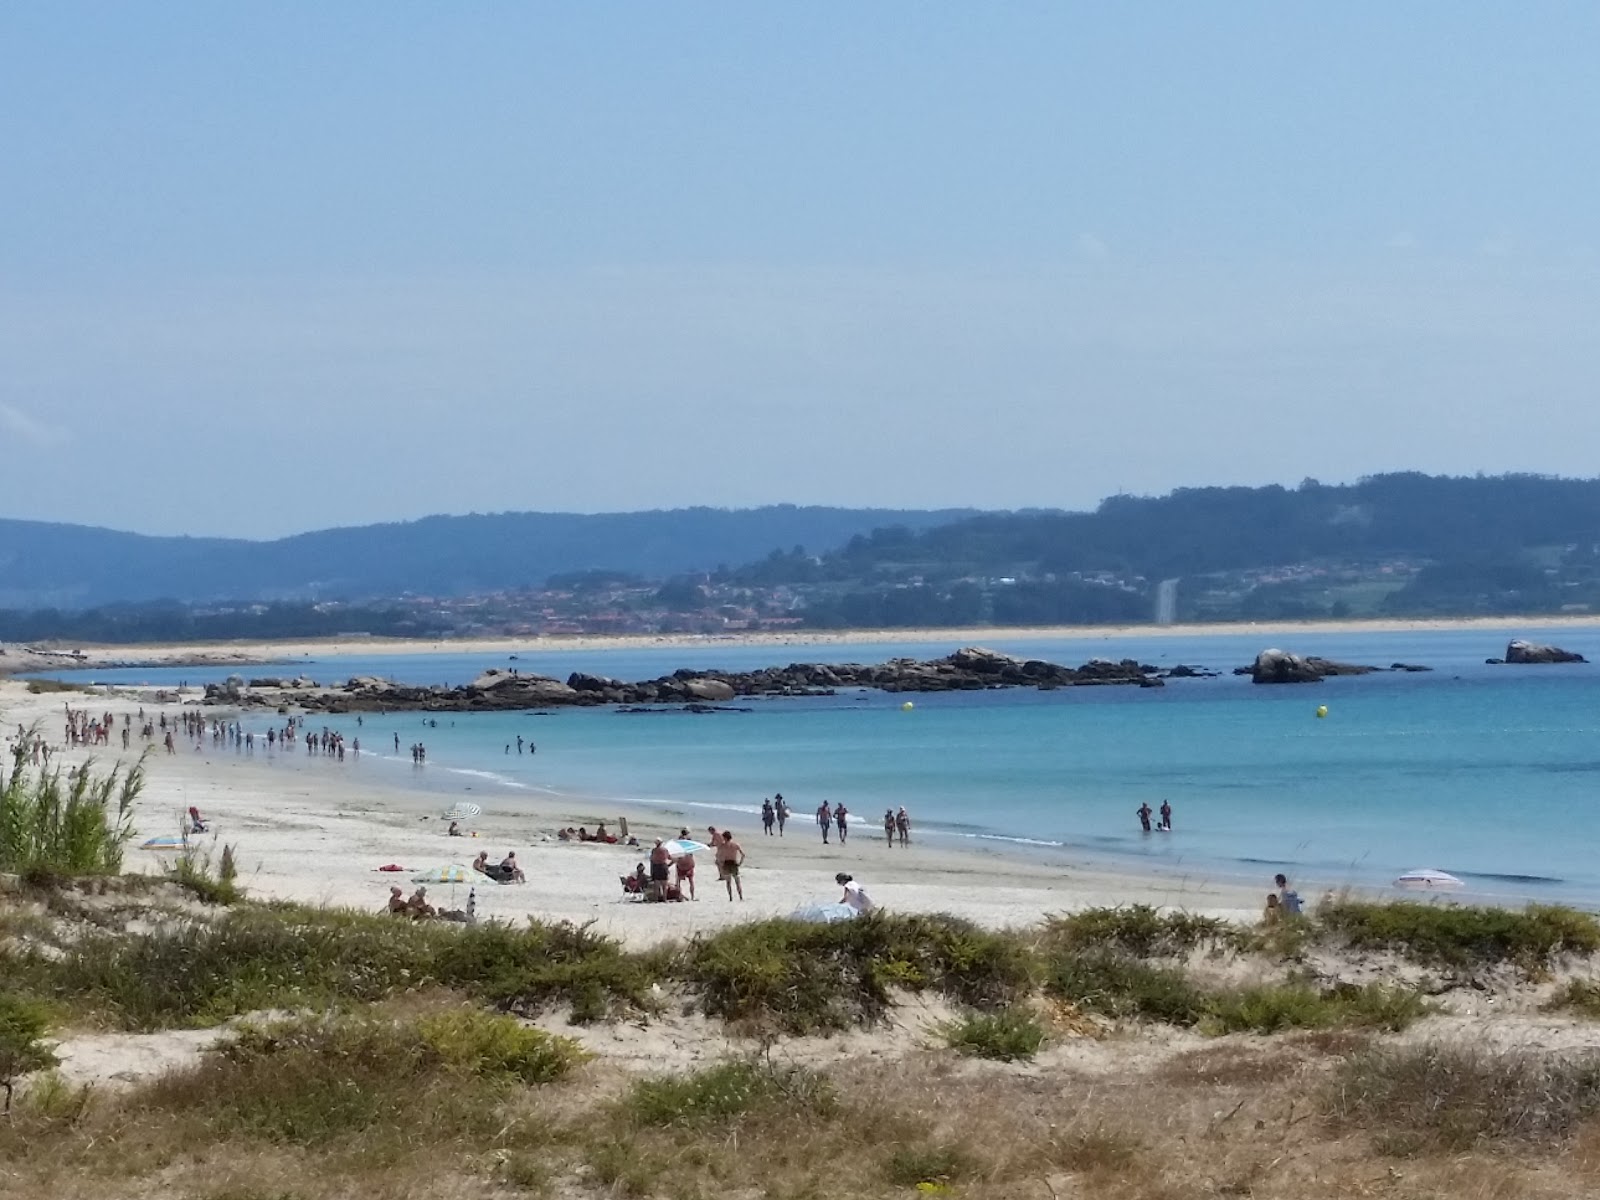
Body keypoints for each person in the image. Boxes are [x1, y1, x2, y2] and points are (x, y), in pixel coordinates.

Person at [716, 829, 745, 901]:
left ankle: (731, 897)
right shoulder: (735, 845)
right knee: (737, 881)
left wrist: (720, 863)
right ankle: (740, 897)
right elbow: (743, 855)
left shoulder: (722, 846)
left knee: (728, 882)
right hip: (734, 863)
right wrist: (740, 863)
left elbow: (718, 855)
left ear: (725, 838)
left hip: (726, 863)